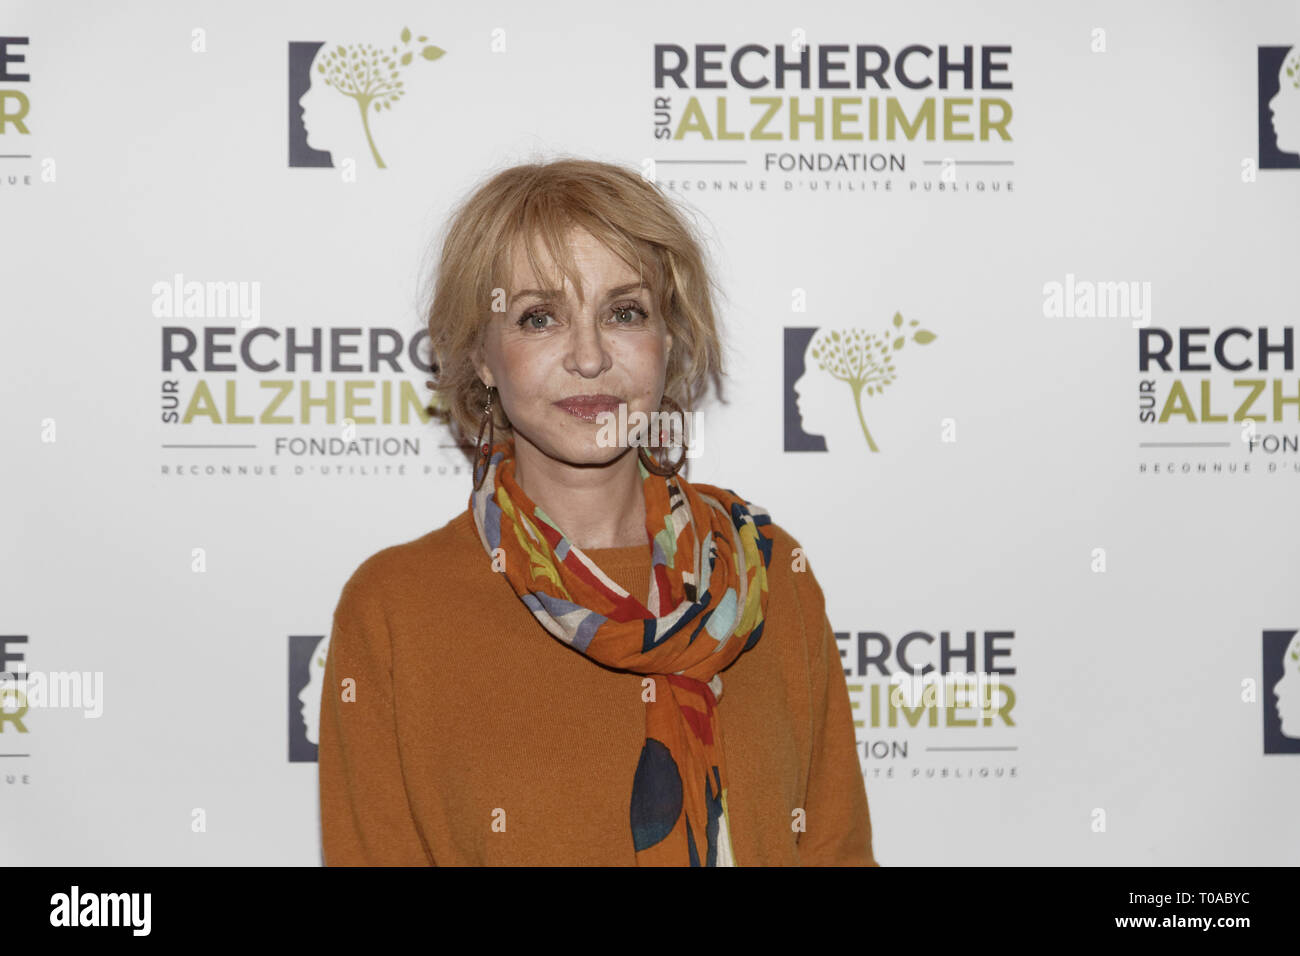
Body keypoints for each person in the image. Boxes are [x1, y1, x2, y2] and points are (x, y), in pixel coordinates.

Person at [318, 157, 879, 866]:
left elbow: (836, 853)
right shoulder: (395, 609)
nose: (588, 357)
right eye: (539, 317)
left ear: (668, 339)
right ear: (482, 356)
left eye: (623, 312)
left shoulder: (765, 574)